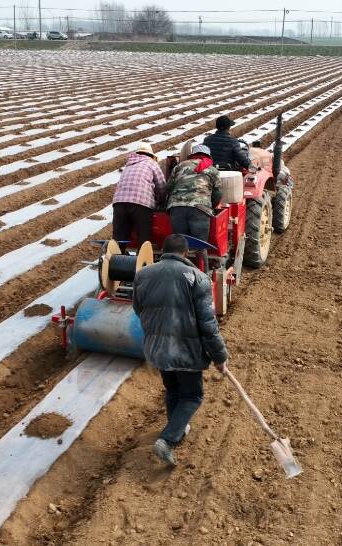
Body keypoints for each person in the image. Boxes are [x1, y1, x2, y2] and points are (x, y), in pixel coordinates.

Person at [132, 234, 229, 466]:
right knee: (193, 396)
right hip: (186, 352)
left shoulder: (142, 275)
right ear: (187, 254)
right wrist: (220, 356)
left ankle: (176, 428)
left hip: (157, 350)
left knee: (173, 391)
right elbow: (208, 325)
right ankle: (168, 440)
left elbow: (138, 309)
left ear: (162, 251)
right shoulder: (197, 278)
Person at [112, 142, 166, 254]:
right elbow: (161, 185)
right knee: (143, 237)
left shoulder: (128, 165)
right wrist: (161, 201)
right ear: (151, 155)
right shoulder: (151, 163)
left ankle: (116, 263)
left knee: (119, 237)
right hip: (141, 203)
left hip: (119, 202)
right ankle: (142, 263)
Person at [166, 144, 221, 244]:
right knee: (200, 245)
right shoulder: (212, 169)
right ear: (208, 156)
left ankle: (179, 258)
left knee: (179, 244)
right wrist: (212, 206)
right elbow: (217, 194)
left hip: (177, 207)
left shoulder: (179, 166)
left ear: (192, 155)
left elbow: (169, 187)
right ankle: (201, 258)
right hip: (200, 208)